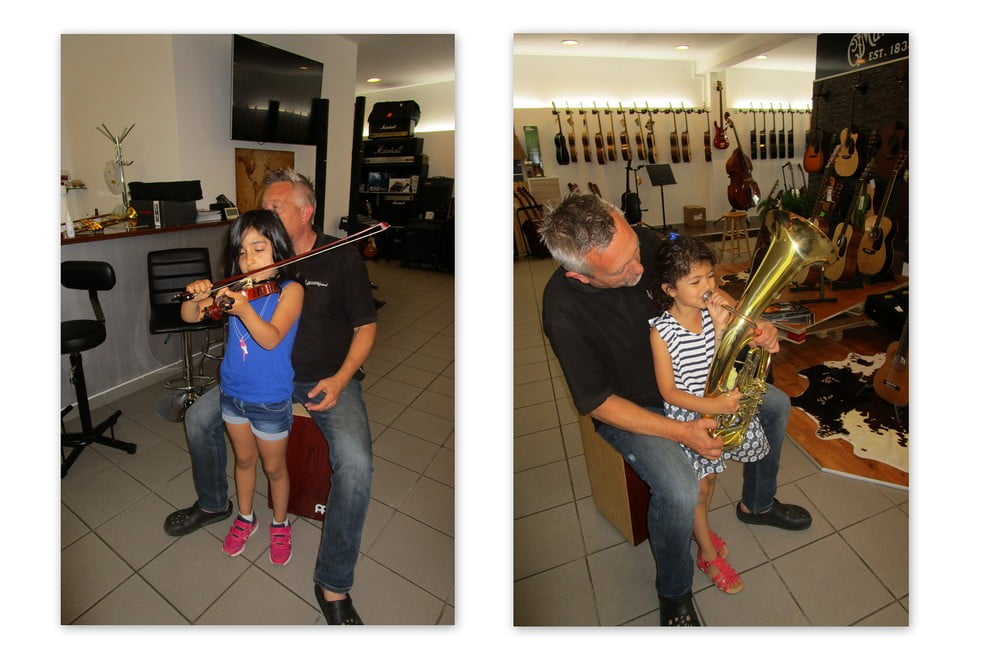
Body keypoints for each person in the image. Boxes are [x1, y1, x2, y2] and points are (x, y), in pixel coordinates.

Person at [539, 194, 811, 626]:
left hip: (693, 382)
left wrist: (749, 322)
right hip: (637, 409)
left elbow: (705, 288)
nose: (639, 268)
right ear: (581, 275)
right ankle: (674, 590)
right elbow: (598, 402)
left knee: (775, 404)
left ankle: (757, 505)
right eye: (622, 269)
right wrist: (681, 431)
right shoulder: (562, 310)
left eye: (635, 252)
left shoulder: (641, 242)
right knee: (682, 490)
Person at [165, 169, 377, 625]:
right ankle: (215, 503)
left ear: (306, 212)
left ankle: (333, 583)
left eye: (275, 209)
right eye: (261, 210)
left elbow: (366, 327)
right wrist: (204, 295)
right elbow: (197, 313)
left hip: (323, 376)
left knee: (356, 463)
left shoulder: (339, 258)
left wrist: (341, 379)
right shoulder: (249, 273)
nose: (264, 217)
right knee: (198, 420)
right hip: (251, 382)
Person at [648, 235, 771, 595]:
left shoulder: (708, 314)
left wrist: (720, 328)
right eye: (696, 281)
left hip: (714, 411)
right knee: (699, 488)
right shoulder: (662, 332)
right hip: (689, 420)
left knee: (711, 481)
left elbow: (718, 364)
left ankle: (698, 526)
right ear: (670, 289)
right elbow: (669, 392)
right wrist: (713, 406)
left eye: (711, 276)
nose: (709, 287)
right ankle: (707, 553)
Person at [180, 209, 304, 566]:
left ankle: (280, 524)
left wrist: (245, 309)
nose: (248, 259)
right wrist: (194, 296)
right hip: (233, 394)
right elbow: (190, 316)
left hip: (270, 399)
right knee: (244, 461)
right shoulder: (234, 290)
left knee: (274, 468)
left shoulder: (291, 291)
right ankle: (246, 517)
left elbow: (271, 338)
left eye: (258, 249)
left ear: (278, 248)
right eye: (242, 252)